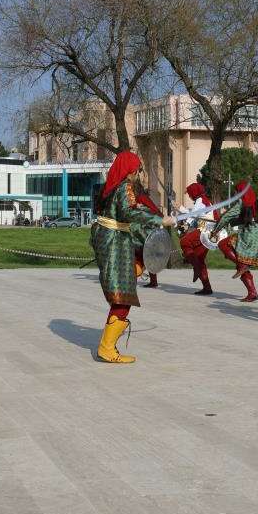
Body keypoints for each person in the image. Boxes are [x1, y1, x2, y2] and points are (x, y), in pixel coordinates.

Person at [90, 151, 175, 364]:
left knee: (124, 290)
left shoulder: (109, 188)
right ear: (130, 170)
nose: (138, 174)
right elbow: (129, 212)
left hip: (110, 239)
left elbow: (128, 211)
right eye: (137, 170)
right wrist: (159, 220)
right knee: (123, 297)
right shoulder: (124, 187)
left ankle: (107, 346)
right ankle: (106, 349)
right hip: (115, 243)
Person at [209, 180, 258, 302]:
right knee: (239, 261)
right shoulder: (255, 201)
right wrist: (230, 222)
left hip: (249, 237)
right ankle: (252, 293)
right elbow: (247, 218)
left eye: (236, 192)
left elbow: (226, 216)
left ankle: (242, 265)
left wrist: (215, 230)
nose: (235, 194)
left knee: (223, 244)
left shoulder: (242, 202)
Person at [178, 182, 215, 296]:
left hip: (205, 229)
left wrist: (186, 224)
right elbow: (195, 213)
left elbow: (192, 215)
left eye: (190, 194)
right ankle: (207, 288)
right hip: (210, 232)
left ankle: (196, 268)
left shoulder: (200, 201)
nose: (189, 196)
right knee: (199, 259)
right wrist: (180, 208)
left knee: (184, 241)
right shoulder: (204, 200)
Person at [132, 184, 163, 288]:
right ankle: (153, 281)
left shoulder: (141, 198)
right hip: (144, 231)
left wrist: (139, 208)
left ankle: (133, 280)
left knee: (140, 255)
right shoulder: (142, 198)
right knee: (146, 256)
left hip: (145, 232)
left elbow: (153, 212)